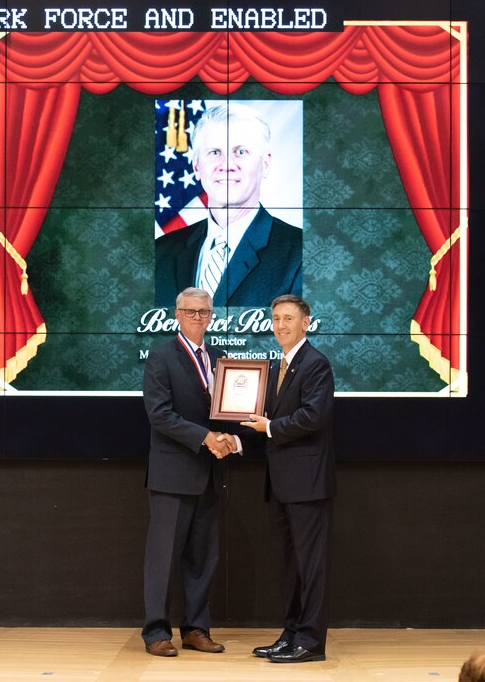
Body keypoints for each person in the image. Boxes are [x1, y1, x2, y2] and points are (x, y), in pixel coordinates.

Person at [141, 287, 238, 657]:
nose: (199, 317)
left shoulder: (220, 357)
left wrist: (230, 435)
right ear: (177, 315)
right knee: (163, 558)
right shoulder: (161, 357)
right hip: (172, 474)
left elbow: (227, 410)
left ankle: (196, 629)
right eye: (191, 312)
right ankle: (156, 634)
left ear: (211, 316)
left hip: (210, 472)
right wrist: (205, 437)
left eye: (205, 312)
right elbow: (159, 415)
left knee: (203, 558)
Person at [241, 294, 336, 663]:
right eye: (276, 319)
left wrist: (269, 427)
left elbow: (313, 417)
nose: (280, 325)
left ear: (305, 322)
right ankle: (291, 633)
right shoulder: (277, 365)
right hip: (282, 484)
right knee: (290, 566)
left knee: (311, 566)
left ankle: (310, 643)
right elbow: (262, 417)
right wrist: (237, 432)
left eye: (288, 319)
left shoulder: (316, 364)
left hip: (308, 483)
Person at [154, 103, 302, 308]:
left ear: (265, 164)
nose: (226, 165)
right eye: (215, 152)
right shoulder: (160, 252)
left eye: (240, 152)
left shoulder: (300, 254)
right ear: (197, 166)